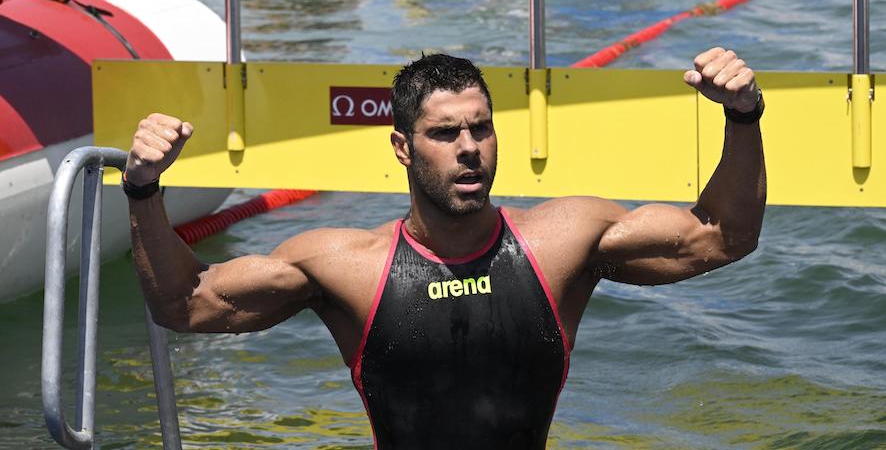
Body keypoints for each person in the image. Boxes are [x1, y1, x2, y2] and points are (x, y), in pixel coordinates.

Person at [124, 47, 765, 449]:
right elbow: (185, 304)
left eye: (480, 128)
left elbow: (721, 236)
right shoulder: (347, 265)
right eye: (444, 132)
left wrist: (743, 116)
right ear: (403, 147)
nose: (468, 147)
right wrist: (144, 189)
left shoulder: (561, 242)